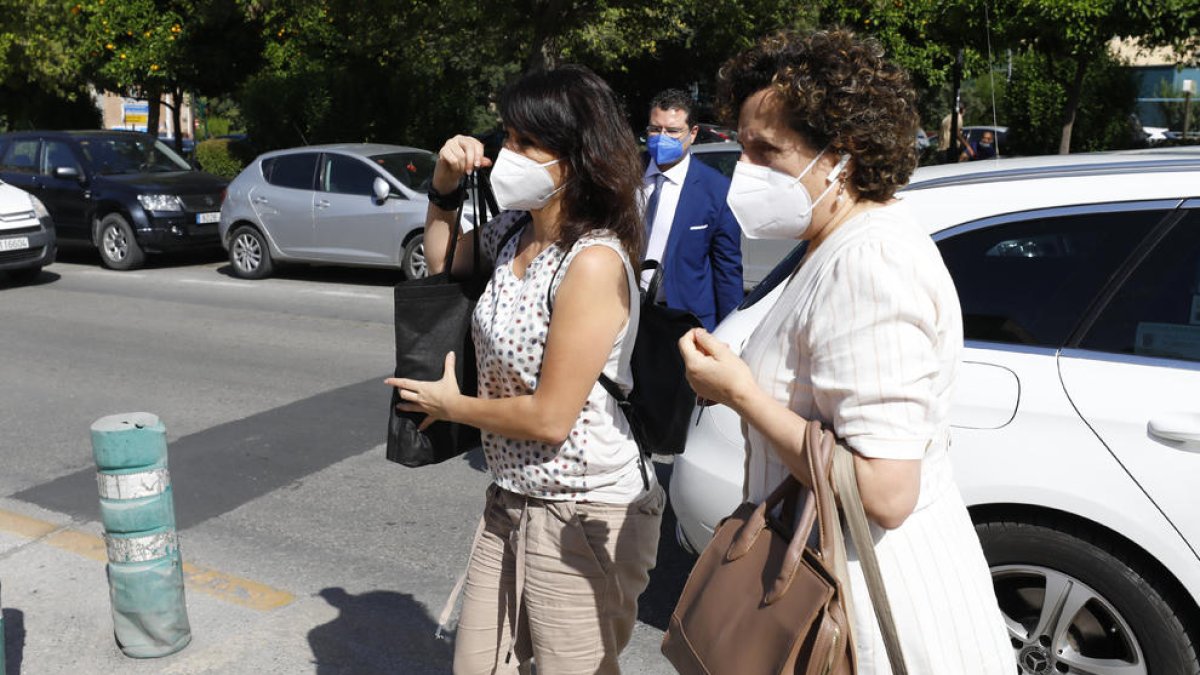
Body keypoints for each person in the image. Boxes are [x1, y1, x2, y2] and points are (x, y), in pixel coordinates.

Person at [678, 30, 1015, 674]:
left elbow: (885, 492)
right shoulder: (834, 239)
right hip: (825, 577)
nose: (742, 169)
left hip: (859, 606)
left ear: (843, 154)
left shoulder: (870, 260)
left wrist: (740, 394)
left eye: (765, 150)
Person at [386, 65, 663, 675]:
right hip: (513, 495)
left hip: (584, 513)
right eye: (505, 136)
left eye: (522, 142)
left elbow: (549, 417)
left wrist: (448, 406)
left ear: (575, 158)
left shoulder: (591, 261)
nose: (504, 153)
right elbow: (441, 264)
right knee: (479, 664)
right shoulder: (514, 229)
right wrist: (443, 186)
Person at [642, 88, 743, 330]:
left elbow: (726, 269)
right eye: (656, 129)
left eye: (673, 131)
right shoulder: (625, 176)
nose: (662, 137)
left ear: (693, 133)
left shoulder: (716, 189)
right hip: (626, 315)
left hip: (684, 321)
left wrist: (731, 331)